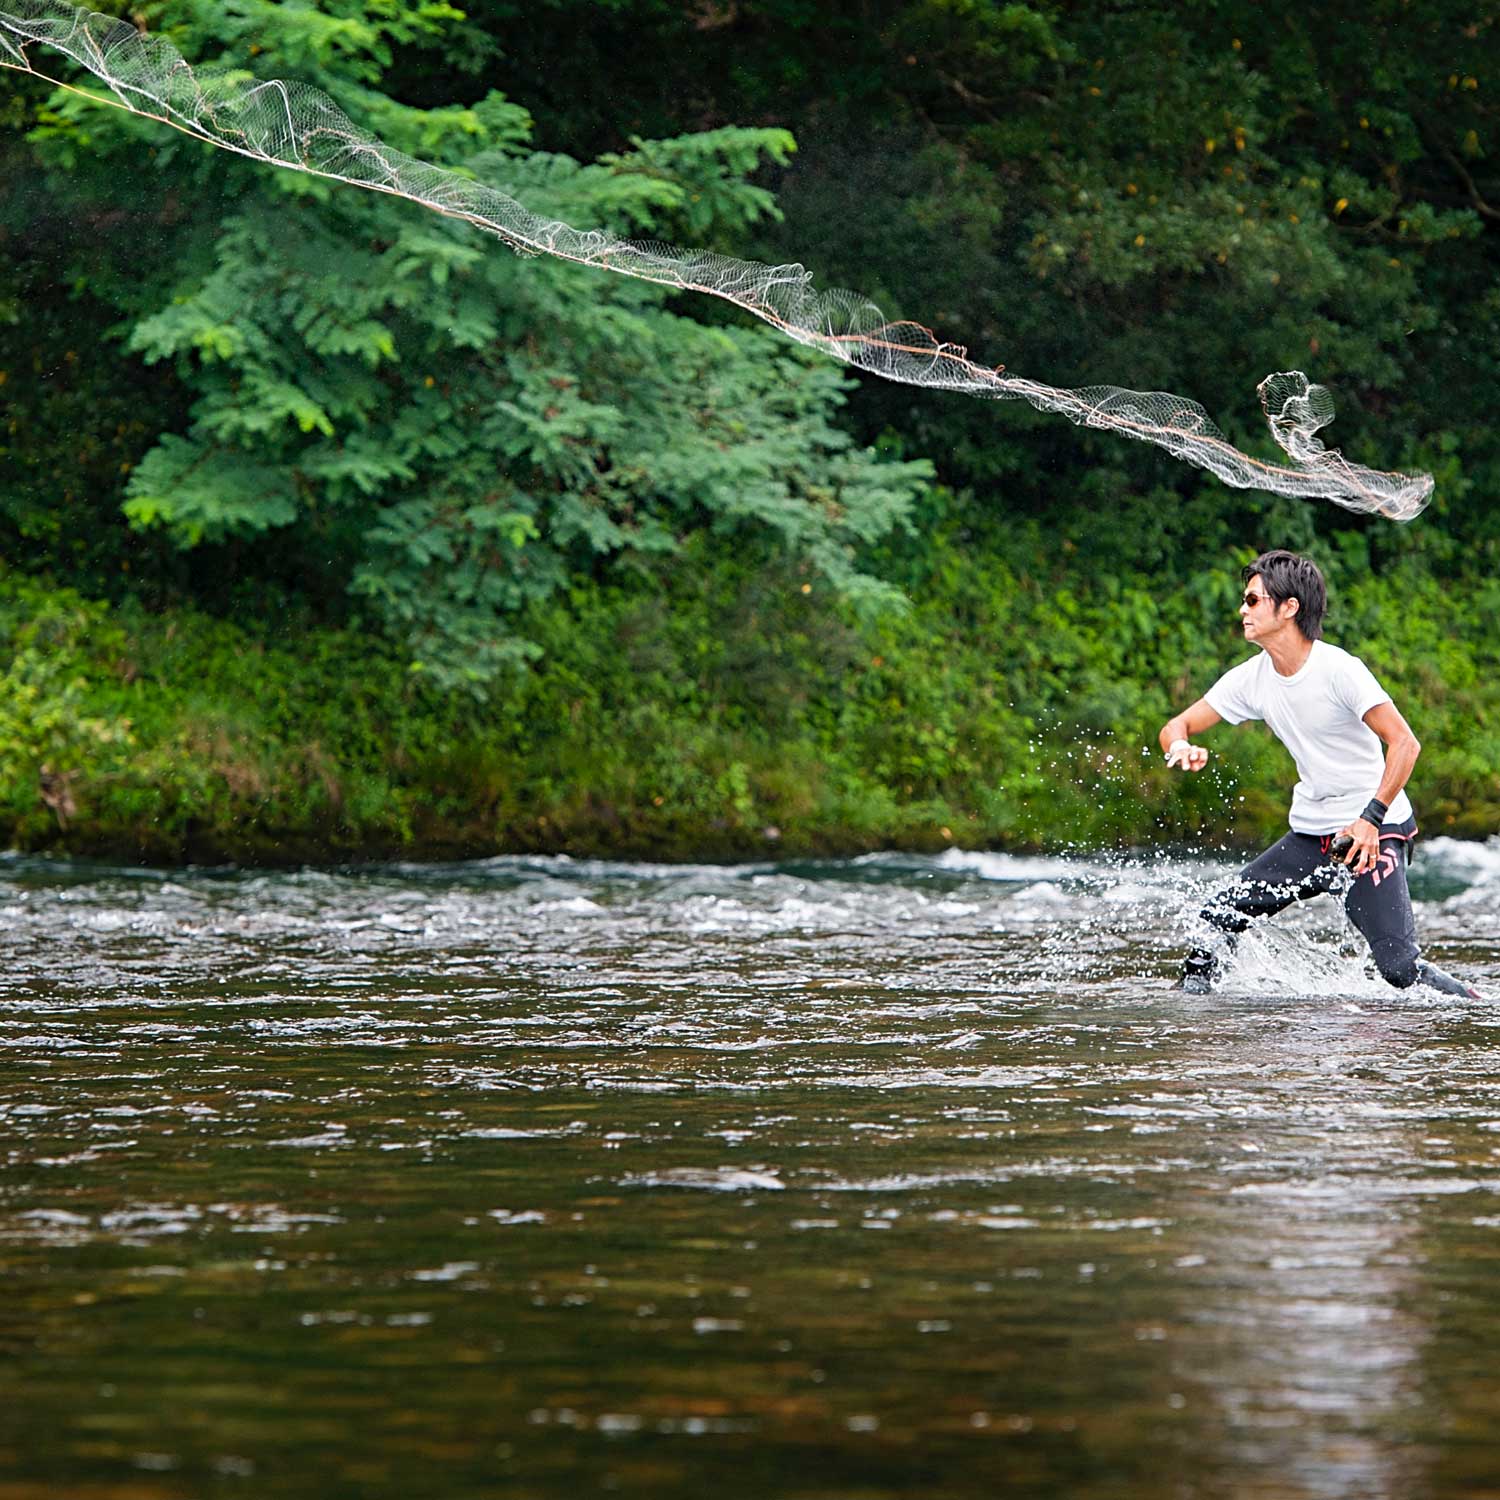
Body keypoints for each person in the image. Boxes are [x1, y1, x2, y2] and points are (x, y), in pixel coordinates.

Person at [1158, 548, 1476, 997]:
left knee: (1399, 970)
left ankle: (1477, 1010)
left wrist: (1371, 818)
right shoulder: (1251, 678)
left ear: (1289, 608)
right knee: (1214, 921)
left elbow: (1405, 743)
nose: (1242, 610)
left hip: (1372, 831)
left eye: (1253, 600)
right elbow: (1176, 726)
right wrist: (1181, 747)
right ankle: (1190, 1019)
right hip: (1311, 835)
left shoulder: (1340, 671)